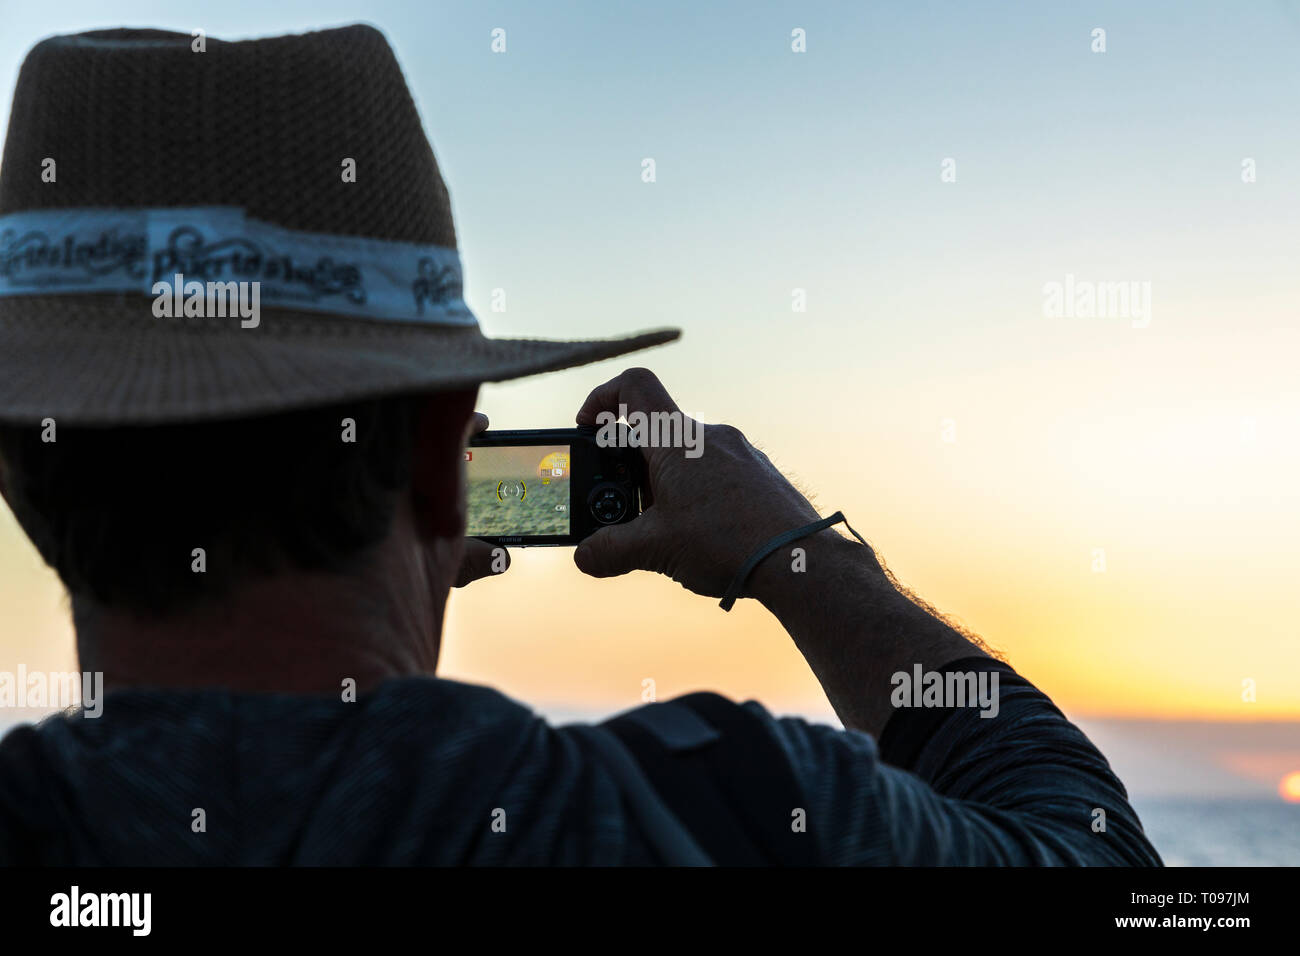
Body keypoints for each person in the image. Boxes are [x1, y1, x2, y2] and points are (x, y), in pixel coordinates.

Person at [0, 25, 1160, 865]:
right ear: (444, 449)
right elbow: (1092, 853)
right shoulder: (734, 814)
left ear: (21, 471)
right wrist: (796, 555)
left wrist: (409, 527)